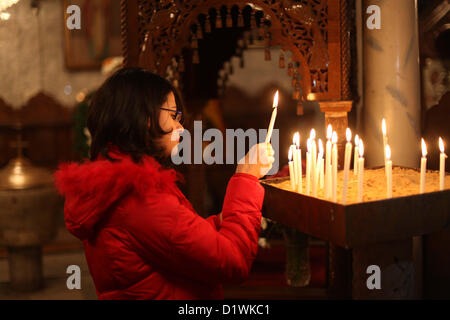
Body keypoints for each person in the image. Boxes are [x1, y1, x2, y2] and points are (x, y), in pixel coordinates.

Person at [54, 67, 275, 300]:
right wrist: (246, 178)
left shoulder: (118, 184)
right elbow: (232, 262)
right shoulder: (140, 198)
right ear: (145, 119)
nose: (180, 127)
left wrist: (224, 219)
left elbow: (176, 240)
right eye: (172, 116)